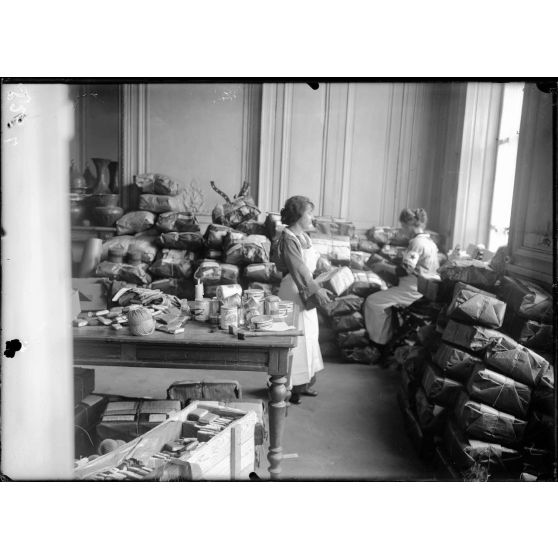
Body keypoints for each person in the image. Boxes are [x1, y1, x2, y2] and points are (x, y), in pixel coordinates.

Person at [276, 196, 333, 404]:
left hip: (305, 288)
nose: (313, 217)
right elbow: (299, 270)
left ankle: (304, 383)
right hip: (294, 291)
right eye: (309, 213)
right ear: (299, 215)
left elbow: (311, 262)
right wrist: (316, 290)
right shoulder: (288, 237)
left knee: (310, 337)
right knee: (296, 341)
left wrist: (325, 265)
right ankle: (289, 388)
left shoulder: (304, 236)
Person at [363, 208, 439, 361]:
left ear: (410, 224)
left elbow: (404, 270)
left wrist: (383, 266)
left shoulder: (417, 242)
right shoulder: (429, 241)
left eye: (403, 227)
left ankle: (379, 343)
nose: (402, 231)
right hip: (420, 287)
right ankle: (386, 335)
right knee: (382, 297)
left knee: (372, 302)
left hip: (412, 290)